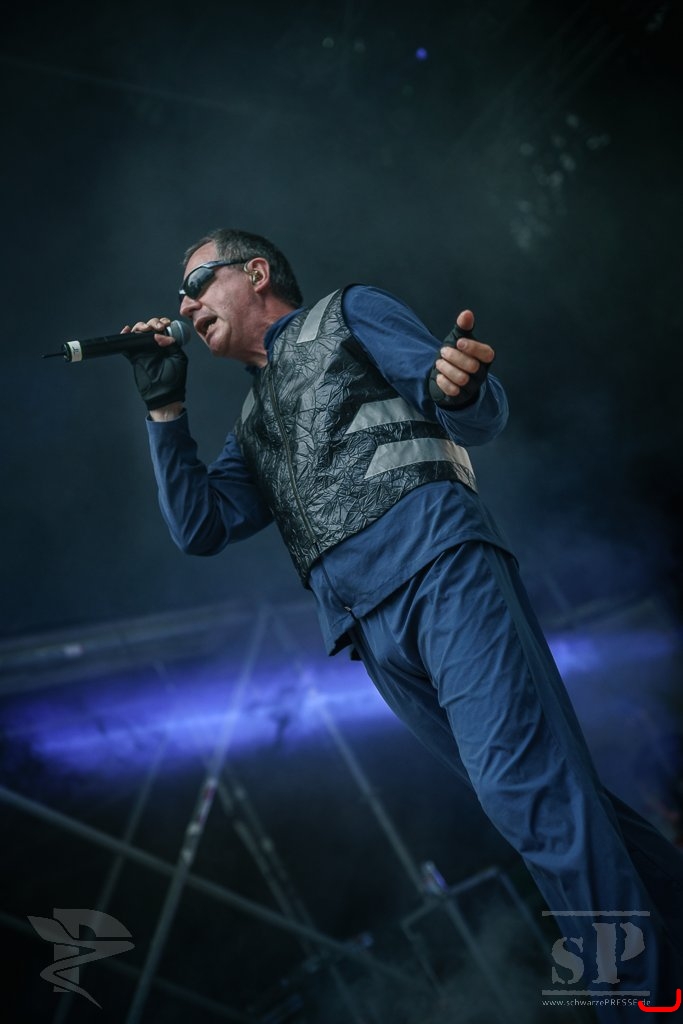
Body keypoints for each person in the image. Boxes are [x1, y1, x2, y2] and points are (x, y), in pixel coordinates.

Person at [123, 228, 683, 1019]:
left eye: (197, 284)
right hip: (370, 631)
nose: (184, 307)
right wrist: (163, 410)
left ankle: (639, 1004)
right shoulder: (249, 422)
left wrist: (461, 389)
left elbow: (456, 395)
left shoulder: (348, 313)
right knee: (547, 794)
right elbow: (200, 526)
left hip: (440, 568)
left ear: (256, 273)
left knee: (528, 794)